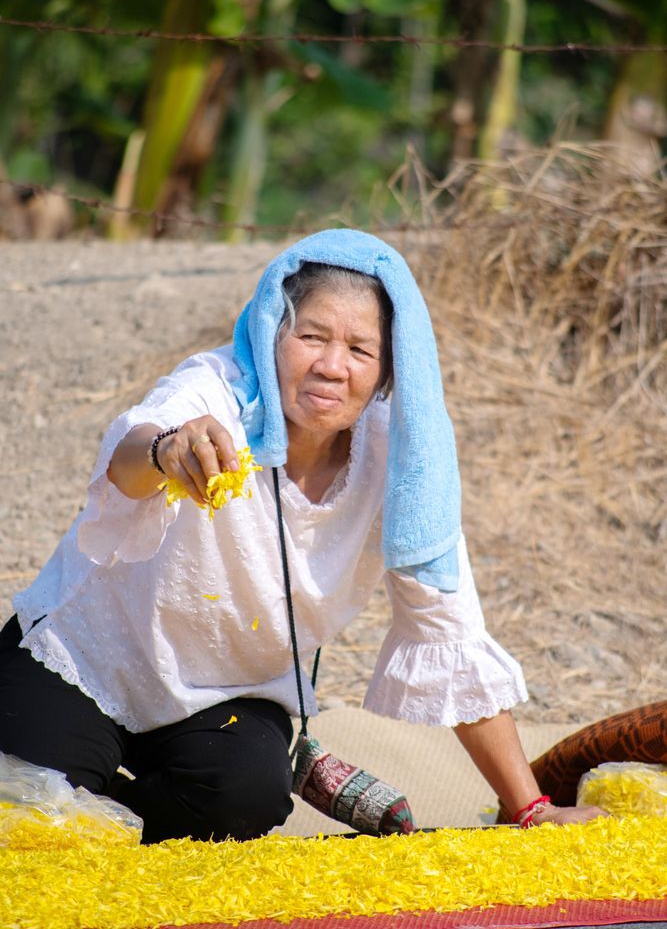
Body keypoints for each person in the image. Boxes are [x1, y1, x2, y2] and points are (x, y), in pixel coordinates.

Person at [0, 229, 604, 843]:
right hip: (87, 662)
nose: (332, 367)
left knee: (244, 801)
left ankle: (124, 814)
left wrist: (530, 808)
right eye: (311, 336)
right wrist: (167, 450)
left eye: (360, 349)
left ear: (389, 371)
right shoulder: (217, 392)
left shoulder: (402, 461)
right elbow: (128, 457)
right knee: (28, 809)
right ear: (271, 333)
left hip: (224, 696)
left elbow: (446, 627)